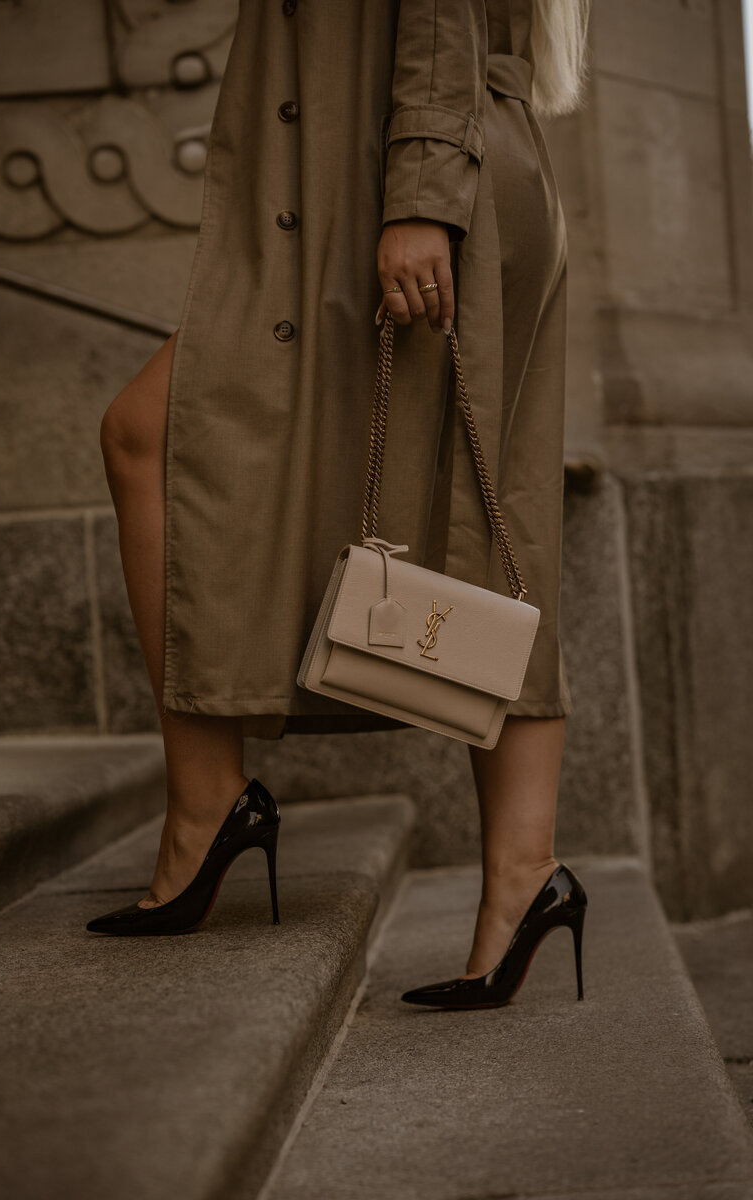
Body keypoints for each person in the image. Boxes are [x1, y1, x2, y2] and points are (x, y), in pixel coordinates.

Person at [86, 0, 593, 1010]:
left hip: (416, 182)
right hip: (392, 175)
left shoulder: (420, 183)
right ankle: (515, 873)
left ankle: (217, 811)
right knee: (493, 520)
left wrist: (420, 198)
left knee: (487, 516)